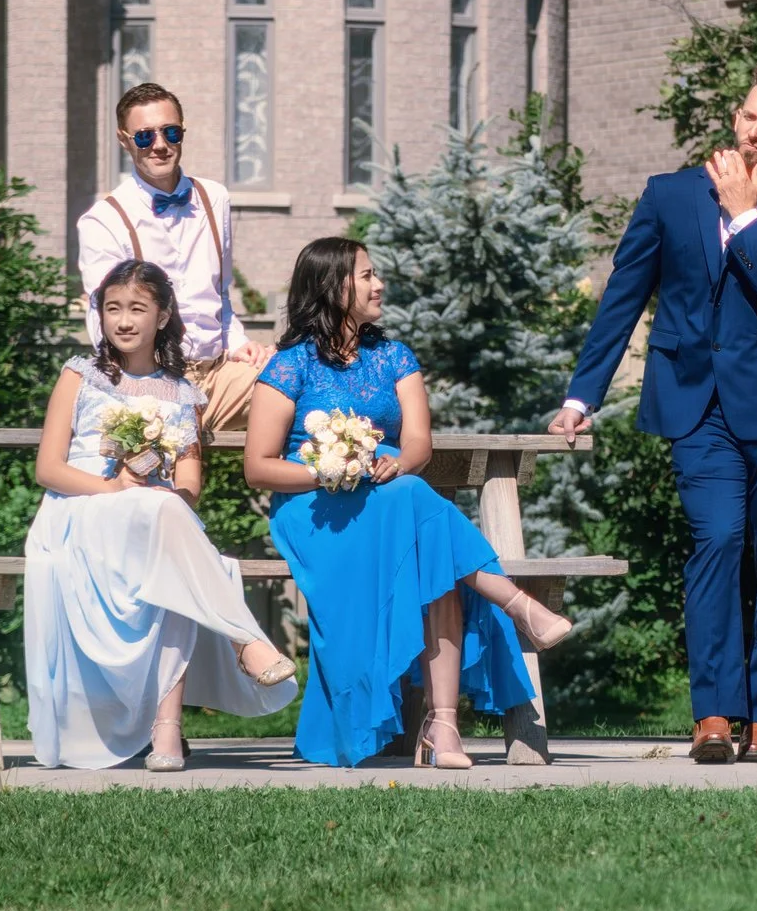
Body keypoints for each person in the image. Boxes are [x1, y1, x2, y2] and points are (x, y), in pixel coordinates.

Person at [548, 60, 757, 764]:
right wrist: (581, 394)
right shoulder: (669, 196)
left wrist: (744, 215)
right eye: (750, 115)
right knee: (717, 542)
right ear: (736, 117)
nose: (756, 129)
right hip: (694, 403)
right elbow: (623, 299)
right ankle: (712, 713)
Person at [245, 238, 573, 768]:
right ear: (333, 286)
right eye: (368, 275)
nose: (380, 285)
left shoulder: (394, 357)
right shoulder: (289, 367)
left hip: (390, 499)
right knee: (423, 518)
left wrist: (398, 462)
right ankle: (515, 608)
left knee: (420, 520)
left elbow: (419, 442)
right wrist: (329, 469)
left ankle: (444, 727)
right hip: (316, 512)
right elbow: (258, 467)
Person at [25, 260, 297, 771]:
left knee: (170, 527)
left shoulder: (184, 393)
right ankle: (244, 641)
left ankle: (167, 729)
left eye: (136, 309)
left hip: (153, 515)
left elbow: (190, 483)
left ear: (163, 314)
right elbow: (48, 468)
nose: (123, 321)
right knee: (178, 542)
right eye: (112, 309)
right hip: (82, 510)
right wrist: (115, 485)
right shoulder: (79, 376)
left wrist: (156, 485)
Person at [75, 82, 269, 432]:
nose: (161, 145)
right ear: (124, 140)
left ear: (183, 132)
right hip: (151, 383)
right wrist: (136, 386)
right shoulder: (103, 220)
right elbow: (101, 316)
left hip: (221, 373)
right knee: (165, 478)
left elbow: (220, 295)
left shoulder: (215, 198)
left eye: (171, 132)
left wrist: (241, 344)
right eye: (145, 136)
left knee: (303, 387)